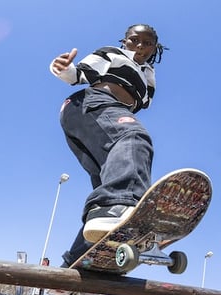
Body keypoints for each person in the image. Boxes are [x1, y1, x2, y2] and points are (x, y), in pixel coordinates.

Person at [50, 24, 167, 266]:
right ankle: (119, 207)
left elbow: (141, 102)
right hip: (92, 104)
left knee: (108, 184)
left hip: (95, 121)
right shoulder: (113, 53)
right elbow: (79, 74)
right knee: (134, 138)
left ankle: (76, 262)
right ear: (125, 41)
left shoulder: (149, 76)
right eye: (135, 40)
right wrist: (65, 69)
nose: (140, 46)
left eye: (147, 43)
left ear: (155, 48)